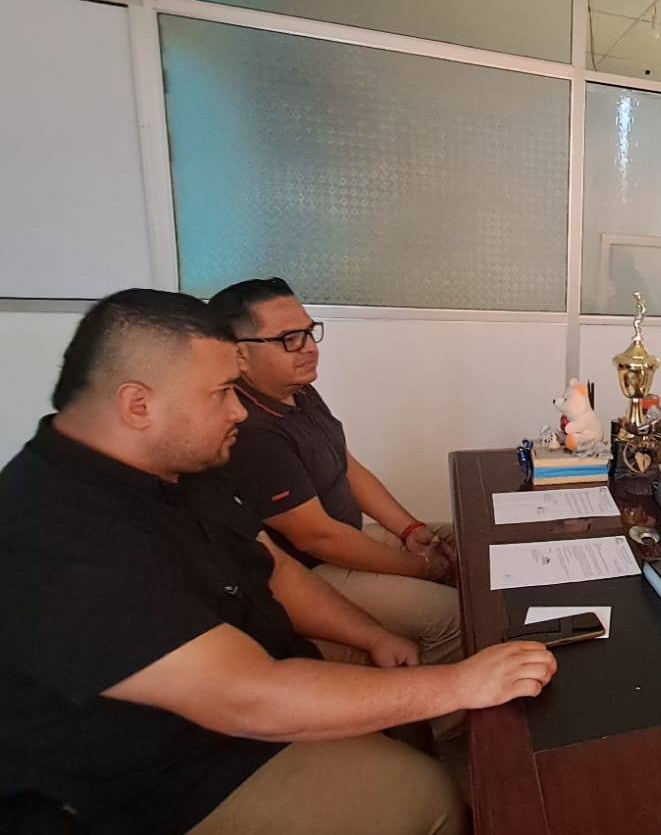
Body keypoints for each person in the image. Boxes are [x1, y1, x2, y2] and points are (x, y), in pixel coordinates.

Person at [0, 290, 556, 834]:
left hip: (258, 679)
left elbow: (275, 570)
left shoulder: (175, 466)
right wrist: (459, 684)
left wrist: (373, 635)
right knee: (425, 799)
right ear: (137, 404)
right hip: (170, 778)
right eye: (221, 393)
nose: (238, 409)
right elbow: (247, 697)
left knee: (410, 670)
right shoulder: (49, 533)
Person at [210, 277, 461, 669]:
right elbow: (318, 538)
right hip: (315, 570)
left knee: (464, 541)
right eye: (289, 339)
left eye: (309, 332)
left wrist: (411, 531)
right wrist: (422, 567)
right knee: (452, 615)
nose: (309, 348)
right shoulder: (253, 433)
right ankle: (446, 707)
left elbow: (348, 468)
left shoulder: (298, 390)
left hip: (348, 536)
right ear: (239, 355)